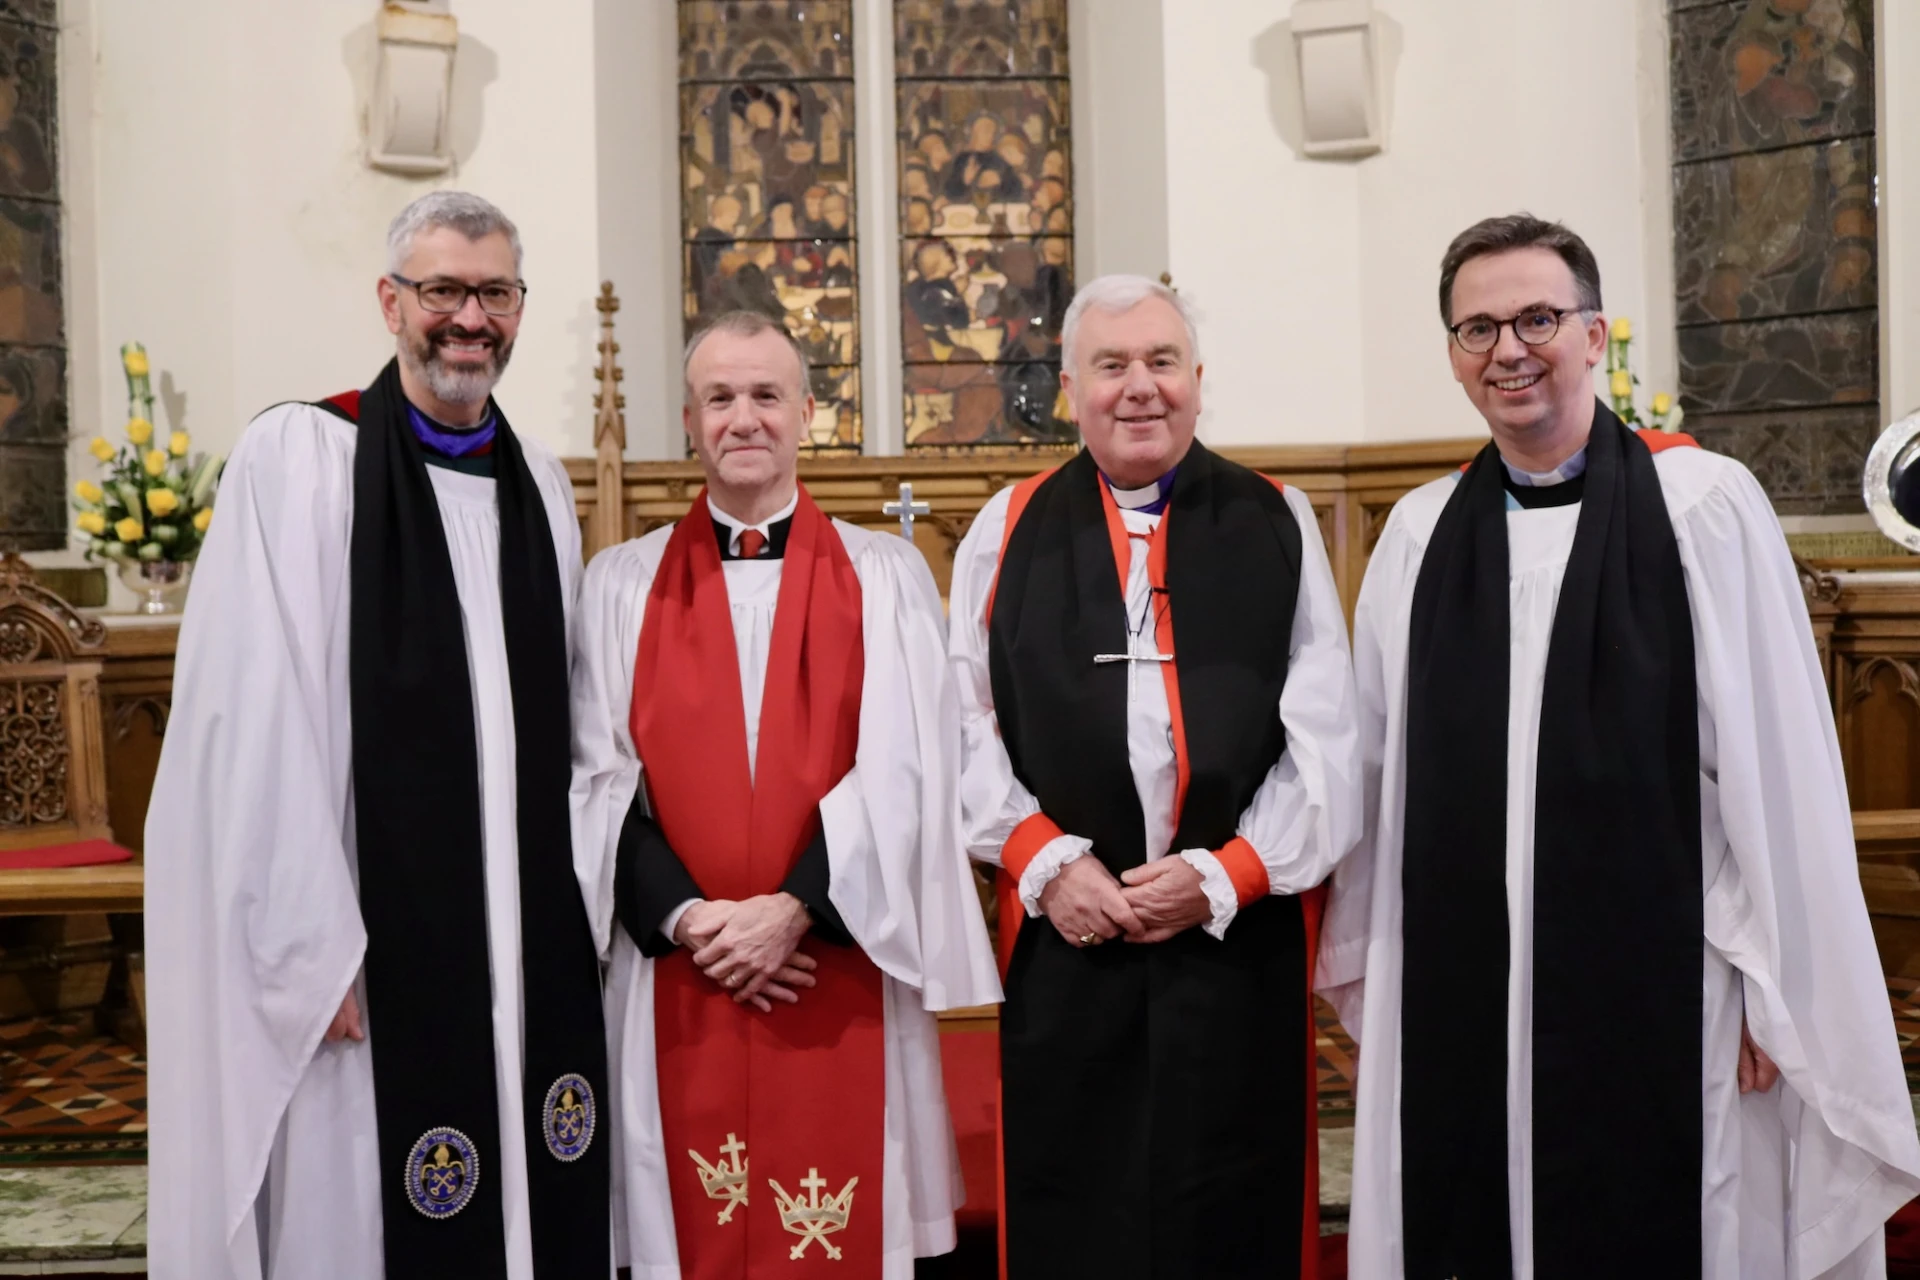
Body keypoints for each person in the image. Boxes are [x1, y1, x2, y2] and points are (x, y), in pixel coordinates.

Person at [1323, 213, 1920, 1279]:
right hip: (1471, 988)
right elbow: (1382, 786)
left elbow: (1775, 773)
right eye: (1479, 328)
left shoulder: (1706, 508)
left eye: (1538, 318)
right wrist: (1386, 970)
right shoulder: (1417, 538)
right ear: (1456, 356)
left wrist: (1770, 985)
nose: (1509, 348)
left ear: (1595, 334)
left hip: (1672, 980)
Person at [145, 191, 610, 1279]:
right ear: (390, 300)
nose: (469, 318)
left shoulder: (538, 482)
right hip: (367, 942)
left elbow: (570, 724)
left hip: (523, 942)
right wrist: (308, 945)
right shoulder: (300, 458)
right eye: (443, 289)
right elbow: (248, 720)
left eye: (494, 292)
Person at [570, 310, 999, 1278]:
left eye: (766, 394)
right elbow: (594, 779)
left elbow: (909, 767)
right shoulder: (619, 584)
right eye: (720, 397)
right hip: (682, 967)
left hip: (837, 952)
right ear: (689, 419)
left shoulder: (883, 576)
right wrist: (691, 919)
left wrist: (794, 909)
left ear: (808, 410)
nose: (744, 416)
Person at [950, 274, 1363, 1277]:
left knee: (1228, 1208)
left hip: (1230, 940)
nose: (1141, 387)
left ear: (1198, 379)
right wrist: (1045, 861)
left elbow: (1328, 739)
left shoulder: (1275, 519)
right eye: (1112, 365)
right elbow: (958, 725)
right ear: (1068, 387)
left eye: (1162, 362)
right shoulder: (1005, 530)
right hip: (1070, 933)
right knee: (1078, 1206)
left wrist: (1224, 872)